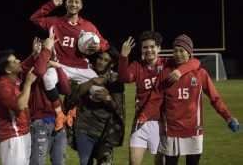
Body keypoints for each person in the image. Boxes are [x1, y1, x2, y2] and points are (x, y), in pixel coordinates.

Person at [136, 34, 239, 165]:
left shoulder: (200, 73)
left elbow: (215, 98)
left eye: (181, 50)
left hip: (193, 130)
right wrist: (144, 116)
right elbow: (156, 98)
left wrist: (228, 117)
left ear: (189, 52)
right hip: (171, 130)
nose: (178, 54)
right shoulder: (166, 73)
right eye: (175, 50)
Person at [30, 0, 109, 131]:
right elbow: (34, 19)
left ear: (81, 6)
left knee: (99, 92)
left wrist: (99, 46)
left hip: (82, 67)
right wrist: (51, 4)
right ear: (66, 4)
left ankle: (74, 108)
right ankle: (60, 114)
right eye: (71, 1)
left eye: (76, 2)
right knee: (47, 78)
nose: (73, 4)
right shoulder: (54, 22)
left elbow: (105, 43)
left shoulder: (88, 26)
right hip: (60, 64)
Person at [118, 31, 201, 165]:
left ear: (159, 48)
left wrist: (180, 70)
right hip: (141, 120)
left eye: (152, 46)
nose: (149, 50)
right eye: (145, 47)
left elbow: (195, 62)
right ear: (141, 49)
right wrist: (123, 56)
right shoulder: (137, 66)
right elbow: (123, 78)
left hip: (161, 121)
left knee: (160, 161)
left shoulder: (168, 64)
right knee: (133, 160)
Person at [67, 47, 125, 165]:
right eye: (100, 58)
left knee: (105, 163)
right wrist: (91, 82)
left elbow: (117, 108)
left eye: (106, 60)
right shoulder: (83, 73)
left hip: (106, 132)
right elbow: (71, 98)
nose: (101, 62)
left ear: (112, 63)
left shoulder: (116, 79)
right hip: (84, 127)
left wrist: (107, 97)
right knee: (85, 162)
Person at [0, 43, 39, 164]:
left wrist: (34, 54)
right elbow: (20, 105)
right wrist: (28, 83)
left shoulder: (15, 79)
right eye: (14, 61)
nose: (19, 61)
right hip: (12, 136)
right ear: (8, 70)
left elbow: (24, 65)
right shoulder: (2, 86)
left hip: (23, 133)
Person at [28, 37, 70, 165]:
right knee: (37, 162)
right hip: (40, 122)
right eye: (46, 48)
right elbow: (39, 72)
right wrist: (45, 57)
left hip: (58, 121)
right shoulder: (31, 68)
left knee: (59, 162)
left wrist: (58, 68)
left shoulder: (53, 70)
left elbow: (65, 89)